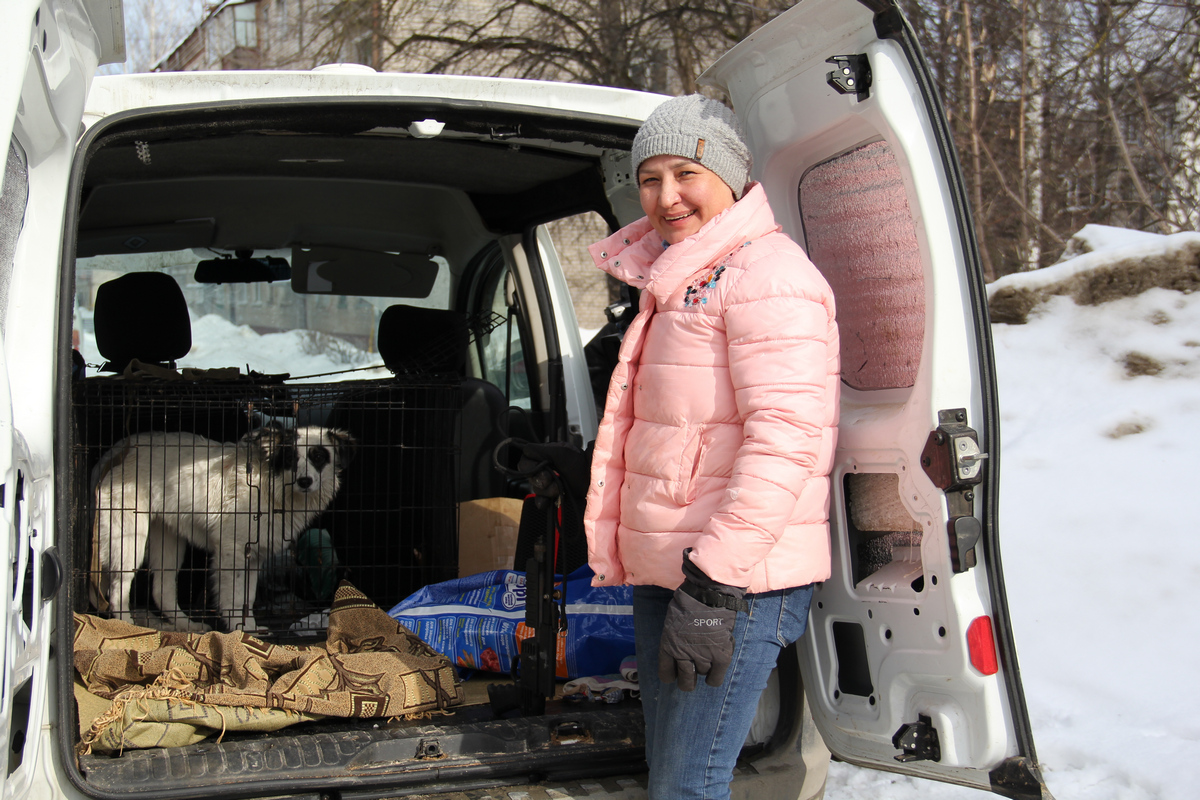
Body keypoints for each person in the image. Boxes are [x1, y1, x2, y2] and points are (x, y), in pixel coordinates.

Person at [582, 94, 840, 799]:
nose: (667, 198)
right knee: (671, 779)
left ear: (731, 174)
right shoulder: (680, 277)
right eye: (649, 179)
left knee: (688, 786)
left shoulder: (768, 279)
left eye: (685, 174)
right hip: (676, 571)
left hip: (734, 583)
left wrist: (715, 583)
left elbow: (784, 441)